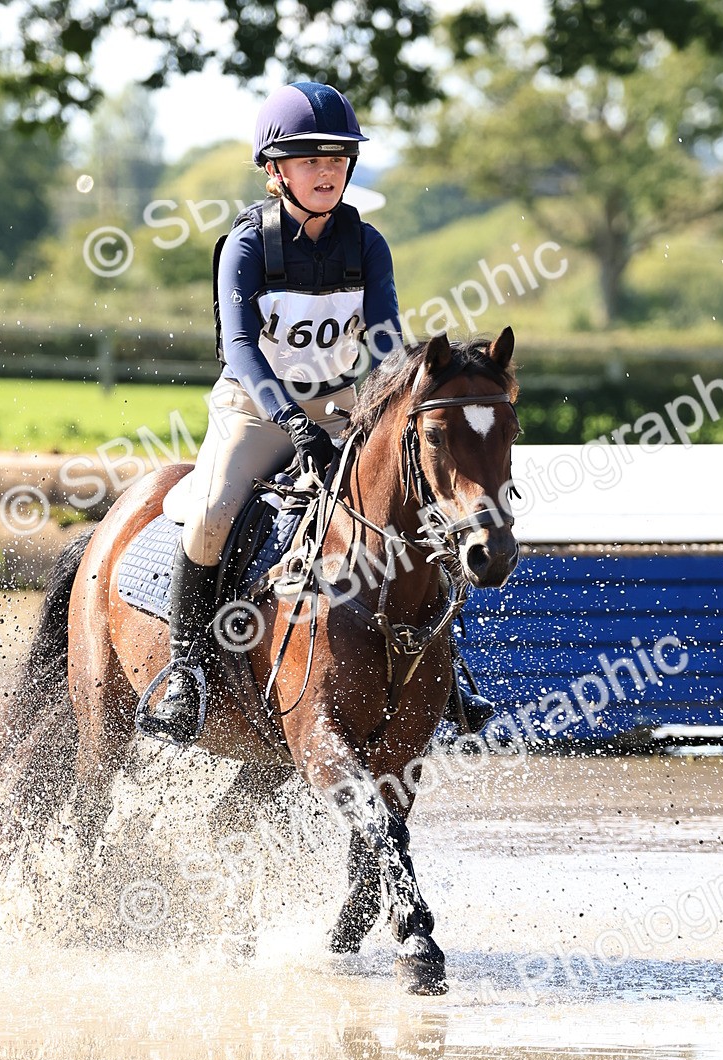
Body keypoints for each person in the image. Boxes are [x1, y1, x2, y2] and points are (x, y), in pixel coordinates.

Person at [148, 80, 494, 742]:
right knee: (216, 509)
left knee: (420, 502)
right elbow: (243, 348)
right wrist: (291, 420)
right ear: (276, 171)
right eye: (310, 161)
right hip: (255, 403)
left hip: (343, 401)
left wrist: (394, 395)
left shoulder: (367, 244)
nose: (326, 173)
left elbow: (386, 341)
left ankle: (452, 671)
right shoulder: (247, 246)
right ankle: (186, 675)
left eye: (337, 161)